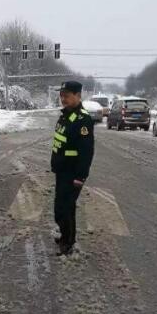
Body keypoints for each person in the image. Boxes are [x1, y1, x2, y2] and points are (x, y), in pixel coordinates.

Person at [51, 81, 95, 255]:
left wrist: (80, 176)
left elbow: (87, 151)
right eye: (62, 96)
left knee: (65, 208)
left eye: (67, 96)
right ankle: (65, 236)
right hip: (62, 171)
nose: (63, 99)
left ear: (78, 96)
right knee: (60, 207)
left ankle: (68, 243)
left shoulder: (82, 120)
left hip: (72, 173)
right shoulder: (65, 115)